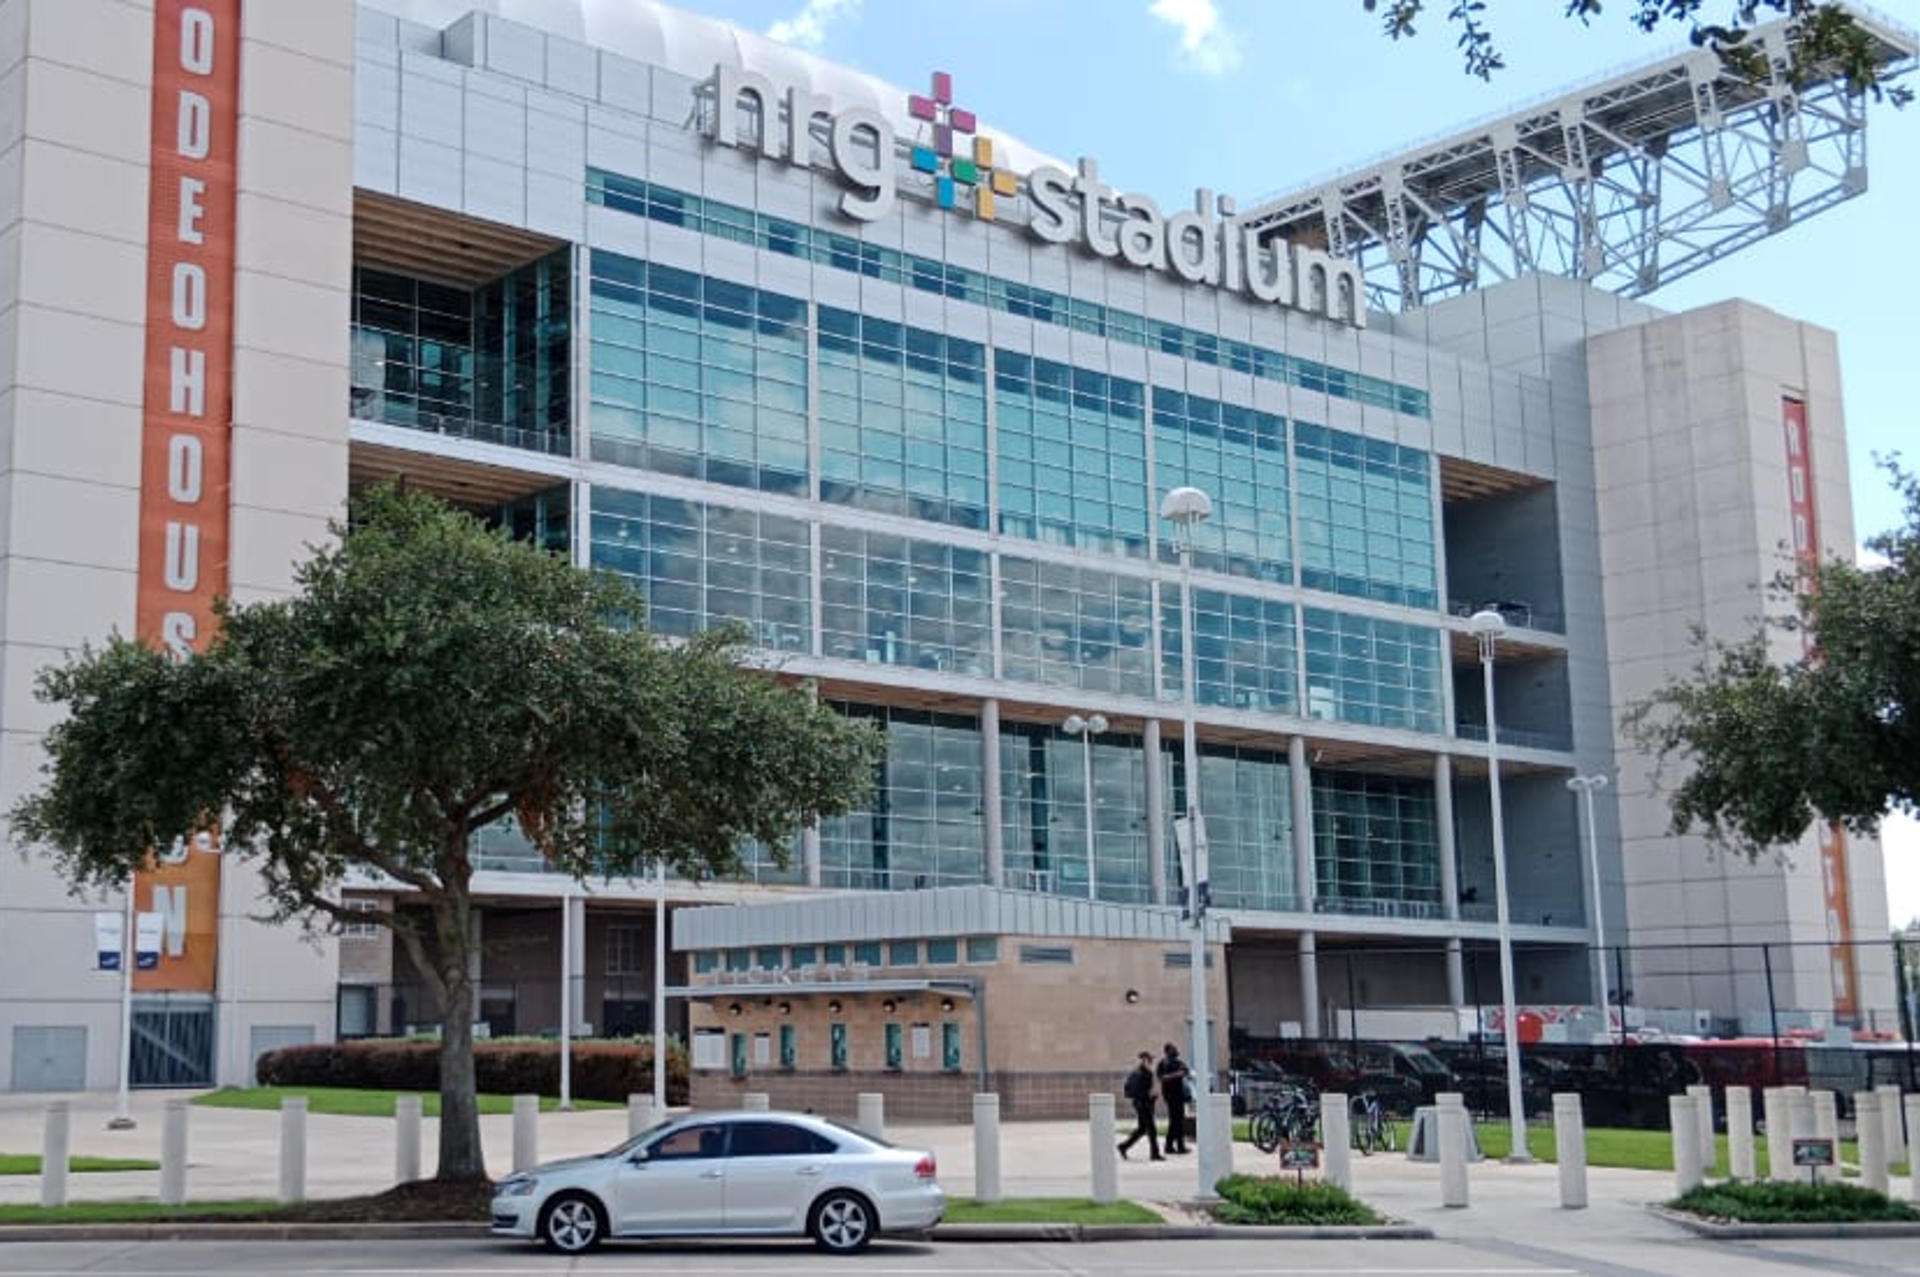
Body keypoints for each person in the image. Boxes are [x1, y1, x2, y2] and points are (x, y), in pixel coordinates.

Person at [1118, 1051, 1163, 1161]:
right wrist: (1152, 1096)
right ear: (1145, 1060)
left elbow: (1133, 1089)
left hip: (1140, 1103)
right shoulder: (1143, 1074)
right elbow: (1142, 1091)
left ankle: (1123, 1146)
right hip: (1144, 1104)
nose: (1152, 1062)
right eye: (1150, 1060)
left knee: (1142, 1129)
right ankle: (1154, 1154)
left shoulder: (1137, 1073)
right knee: (1151, 1129)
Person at [1157, 1042, 1191, 1154]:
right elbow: (1162, 1078)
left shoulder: (1178, 1062)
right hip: (1171, 1096)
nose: (1176, 1051)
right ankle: (1177, 1146)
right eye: (1173, 1049)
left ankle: (1171, 1146)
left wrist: (1183, 1072)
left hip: (1179, 1095)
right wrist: (1176, 1075)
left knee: (1177, 1121)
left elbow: (1186, 1071)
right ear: (1167, 1051)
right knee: (1176, 1121)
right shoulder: (1163, 1063)